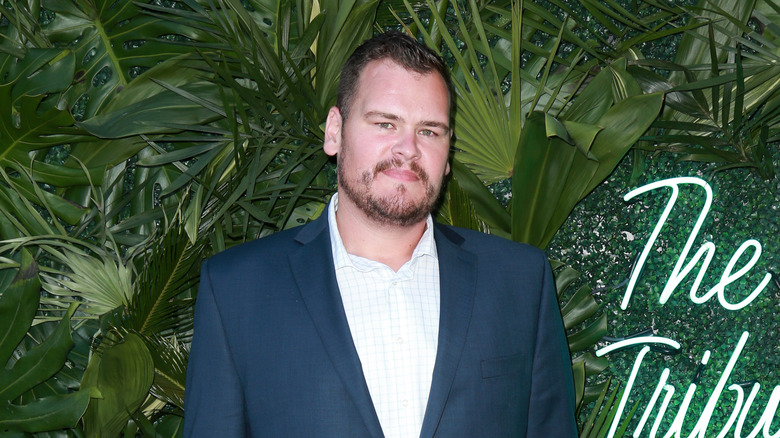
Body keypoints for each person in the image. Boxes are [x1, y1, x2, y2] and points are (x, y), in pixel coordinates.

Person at [183, 31, 577, 437]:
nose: (407, 148)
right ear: (335, 131)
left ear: (447, 154)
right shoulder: (236, 291)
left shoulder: (520, 282)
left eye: (429, 131)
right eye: (386, 123)